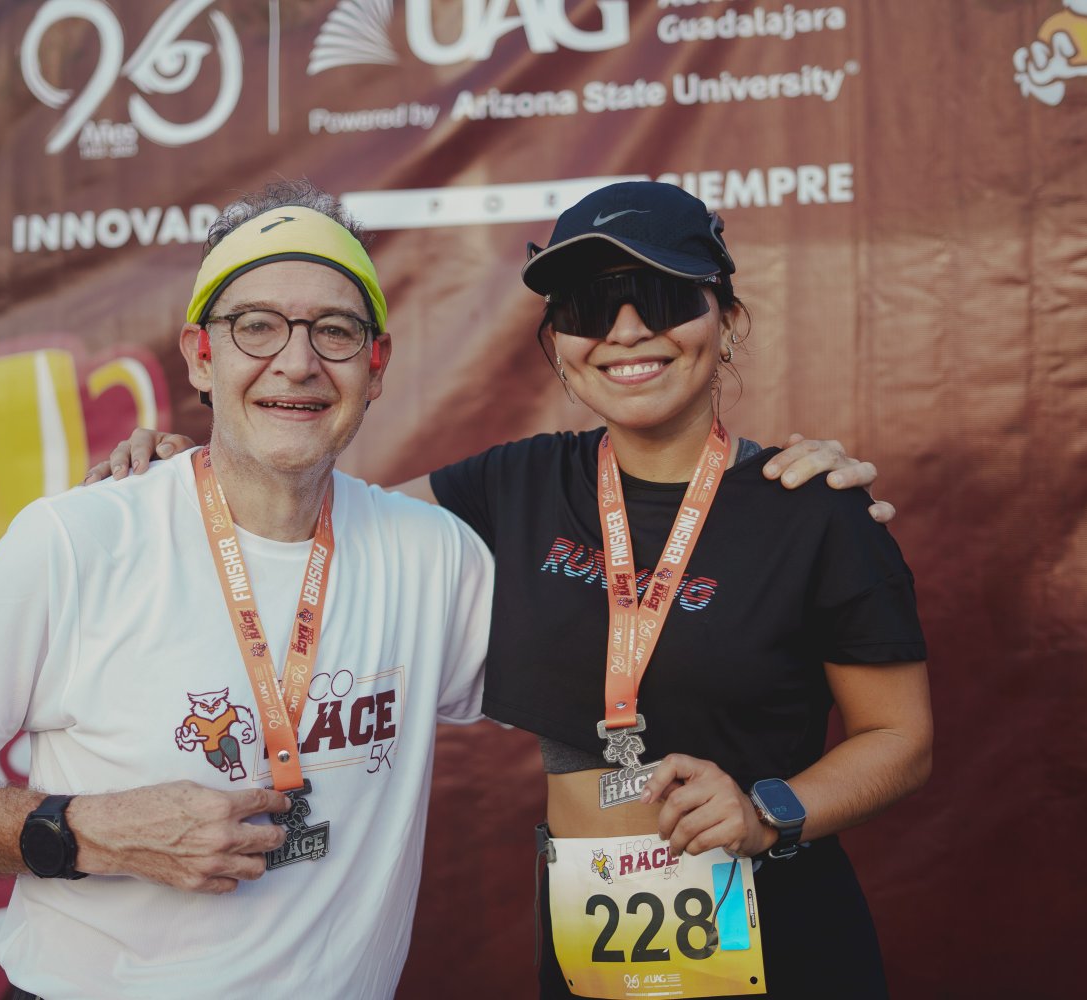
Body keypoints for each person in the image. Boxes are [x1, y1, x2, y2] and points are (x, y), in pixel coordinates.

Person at [98, 181, 930, 999]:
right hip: (591, 965)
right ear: (559, 345)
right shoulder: (515, 484)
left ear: (728, 322)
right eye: (587, 309)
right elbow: (313, 523)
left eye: (662, 297)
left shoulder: (812, 507)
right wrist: (192, 473)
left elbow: (900, 737)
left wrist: (767, 812)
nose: (626, 331)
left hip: (784, 949)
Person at [0, 183, 499, 1000]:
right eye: (256, 326)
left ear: (376, 364)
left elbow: (601, 705)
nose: (298, 362)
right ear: (201, 355)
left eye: (335, 330)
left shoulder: (435, 557)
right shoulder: (79, 538)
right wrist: (89, 830)